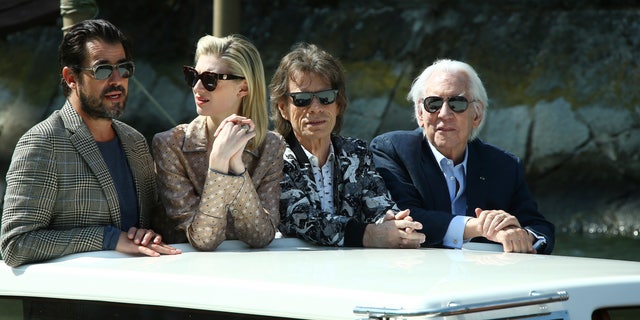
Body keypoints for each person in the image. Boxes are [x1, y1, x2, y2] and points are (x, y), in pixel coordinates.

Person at [0, 19, 181, 267]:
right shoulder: (42, 143)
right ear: (71, 77)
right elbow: (15, 245)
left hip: (140, 297)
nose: (117, 80)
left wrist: (148, 234)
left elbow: (146, 227)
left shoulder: (135, 142)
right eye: (103, 70)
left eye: (124, 68)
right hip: (73, 302)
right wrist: (107, 238)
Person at [370, 58, 555, 254]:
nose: (444, 113)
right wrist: (481, 226)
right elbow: (404, 216)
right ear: (420, 113)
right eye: (433, 103)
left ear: (477, 115)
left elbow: (539, 227)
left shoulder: (504, 165)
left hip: (483, 277)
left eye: (457, 103)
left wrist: (522, 235)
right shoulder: (393, 150)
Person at [269, 43, 425, 248]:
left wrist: (396, 224)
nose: (315, 108)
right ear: (283, 108)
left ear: (339, 104)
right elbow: (301, 220)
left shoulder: (356, 152)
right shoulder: (271, 155)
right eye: (302, 99)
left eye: (325, 98)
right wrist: (368, 235)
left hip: (352, 273)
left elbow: (379, 205)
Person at [152, 34, 284, 250]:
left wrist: (236, 168)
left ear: (243, 88)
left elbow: (260, 236)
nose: (197, 87)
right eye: (193, 76)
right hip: (185, 271)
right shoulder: (170, 145)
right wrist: (219, 165)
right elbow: (203, 239)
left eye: (210, 80)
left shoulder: (271, 146)